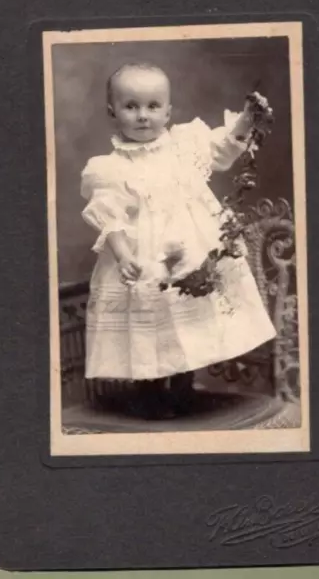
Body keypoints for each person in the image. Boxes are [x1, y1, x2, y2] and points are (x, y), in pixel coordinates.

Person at [80, 62, 276, 419]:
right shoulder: (109, 168)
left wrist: (248, 116)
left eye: (153, 106)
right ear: (112, 111)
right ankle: (149, 392)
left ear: (169, 111)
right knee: (151, 316)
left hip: (192, 251)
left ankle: (184, 387)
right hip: (146, 256)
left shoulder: (186, 145)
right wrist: (124, 258)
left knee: (192, 317)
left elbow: (223, 147)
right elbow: (110, 218)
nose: (143, 116)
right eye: (131, 106)